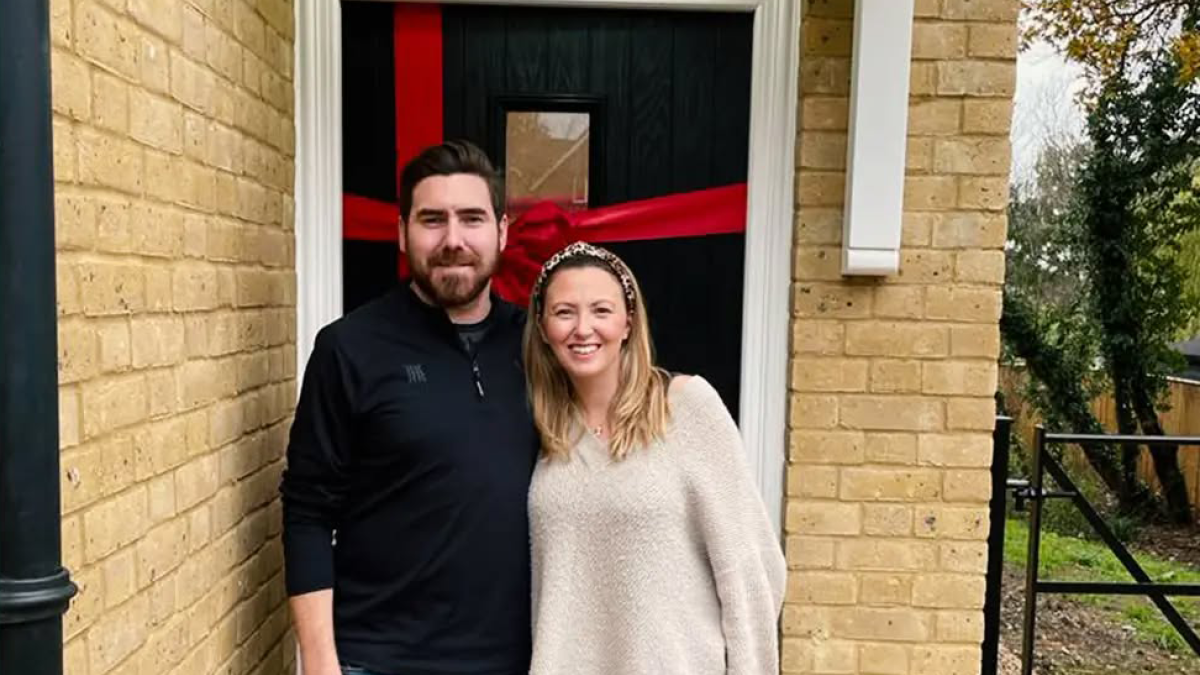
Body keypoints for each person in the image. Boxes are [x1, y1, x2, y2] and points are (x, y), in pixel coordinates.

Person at [281, 140, 538, 675]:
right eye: (431, 220)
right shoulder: (349, 349)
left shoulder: (537, 345)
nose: (453, 240)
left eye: (472, 218)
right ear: (402, 232)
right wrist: (320, 663)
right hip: (377, 658)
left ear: (502, 231)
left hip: (519, 659)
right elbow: (307, 510)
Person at [522, 241, 787, 675]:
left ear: (628, 321)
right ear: (543, 325)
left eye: (601, 311)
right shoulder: (544, 427)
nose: (583, 328)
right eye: (564, 312)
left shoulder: (686, 407)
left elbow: (750, 565)